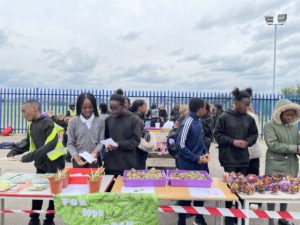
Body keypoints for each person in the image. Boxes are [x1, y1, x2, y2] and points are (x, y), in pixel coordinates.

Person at [7, 99, 65, 225]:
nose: (23, 115)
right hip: (41, 163)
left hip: (55, 164)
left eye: (24, 111)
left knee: (52, 193)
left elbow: (49, 146)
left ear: (34, 108)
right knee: (37, 190)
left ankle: (49, 219)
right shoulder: (31, 125)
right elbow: (28, 142)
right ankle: (34, 218)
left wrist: (27, 157)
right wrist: (15, 151)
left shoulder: (48, 123)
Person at [214, 87, 258, 225]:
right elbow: (217, 135)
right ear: (236, 102)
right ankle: (228, 215)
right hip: (228, 159)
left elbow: (254, 134)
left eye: (248, 104)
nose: (247, 106)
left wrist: (248, 142)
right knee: (230, 188)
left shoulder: (249, 119)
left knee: (242, 188)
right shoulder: (223, 117)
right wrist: (233, 141)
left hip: (243, 159)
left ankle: (241, 214)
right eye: (245, 104)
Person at [264, 99, 300, 225]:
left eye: (292, 115)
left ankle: (282, 218)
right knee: (272, 193)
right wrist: (295, 149)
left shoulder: (294, 127)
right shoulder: (269, 125)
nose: (290, 117)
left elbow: (298, 142)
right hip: (275, 165)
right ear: (280, 113)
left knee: (286, 192)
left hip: (291, 165)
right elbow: (273, 145)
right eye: (287, 115)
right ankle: (271, 220)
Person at [176, 97, 210, 225]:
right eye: (205, 107)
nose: (206, 110)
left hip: (200, 166)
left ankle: (199, 218)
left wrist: (206, 151)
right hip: (187, 165)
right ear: (201, 109)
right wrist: (196, 158)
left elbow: (200, 141)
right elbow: (180, 145)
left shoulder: (199, 121)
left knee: (199, 194)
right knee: (185, 196)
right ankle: (181, 221)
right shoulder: (188, 121)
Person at [104, 94, 142, 176]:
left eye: (116, 108)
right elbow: (105, 138)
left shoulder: (134, 120)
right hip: (110, 165)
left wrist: (118, 144)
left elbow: (135, 141)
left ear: (123, 106)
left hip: (127, 165)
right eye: (111, 108)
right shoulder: (108, 120)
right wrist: (107, 145)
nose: (113, 111)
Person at [67, 93, 105, 168]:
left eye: (90, 107)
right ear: (79, 107)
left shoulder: (100, 121)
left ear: (94, 106)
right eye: (84, 108)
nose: (88, 110)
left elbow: (101, 141)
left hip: (94, 160)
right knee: (79, 179)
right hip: (78, 160)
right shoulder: (73, 122)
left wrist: (95, 152)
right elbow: (70, 143)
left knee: (94, 179)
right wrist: (75, 156)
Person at [129, 99, 149, 169]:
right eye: (145, 106)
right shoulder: (136, 118)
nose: (147, 108)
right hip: (138, 148)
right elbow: (137, 133)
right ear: (139, 107)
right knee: (139, 168)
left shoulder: (138, 117)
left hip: (138, 147)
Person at [200, 102, 214, 172]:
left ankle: (206, 171)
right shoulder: (198, 117)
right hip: (200, 140)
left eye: (203, 108)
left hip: (206, 141)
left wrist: (201, 122)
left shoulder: (209, 118)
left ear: (206, 110)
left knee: (205, 157)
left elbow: (209, 130)